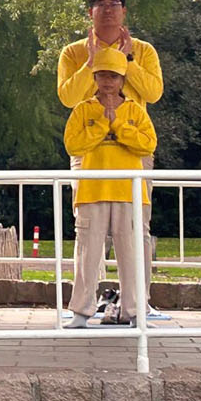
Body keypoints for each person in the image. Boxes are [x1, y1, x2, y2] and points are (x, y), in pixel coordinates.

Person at [56, 0, 163, 301]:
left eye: (114, 3)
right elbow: (68, 98)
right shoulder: (73, 52)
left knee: (137, 228)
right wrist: (91, 63)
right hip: (89, 150)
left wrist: (127, 60)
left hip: (133, 151)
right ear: (90, 12)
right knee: (88, 229)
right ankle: (83, 304)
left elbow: (153, 93)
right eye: (100, 4)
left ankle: (138, 304)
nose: (107, 9)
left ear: (124, 11)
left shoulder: (143, 50)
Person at [62, 48, 158, 327]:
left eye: (113, 76)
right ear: (94, 77)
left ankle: (135, 313)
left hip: (128, 192)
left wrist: (120, 126)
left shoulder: (135, 110)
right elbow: (73, 144)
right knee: (87, 254)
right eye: (102, 75)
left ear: (123, 79)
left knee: (131, 254)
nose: (108, 82)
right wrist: (103, 124)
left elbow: (148, 144)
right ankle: (81, 312)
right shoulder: (83, 109)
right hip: (92, 190)